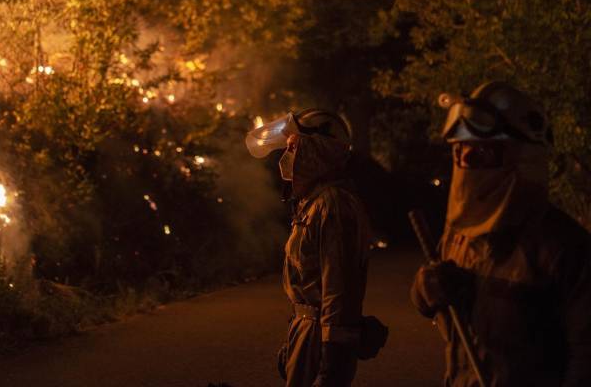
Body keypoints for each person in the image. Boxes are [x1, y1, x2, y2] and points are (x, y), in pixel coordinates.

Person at [411, 81, 591, 386]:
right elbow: (437, 312)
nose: (466, 161)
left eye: (481, 152)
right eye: (460, 151)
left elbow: (586, 357)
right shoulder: (459, 236)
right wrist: (424, 291)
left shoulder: (562, 247)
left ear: (521, 159)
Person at [246, 109, 384, 387]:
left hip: (321, 336)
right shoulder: (313, 204)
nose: (288, 155)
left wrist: (331, 359)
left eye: (295, 147)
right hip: (308, 332)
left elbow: (338, 288)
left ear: (318, 151)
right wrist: (295, 336)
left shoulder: (332, 205)